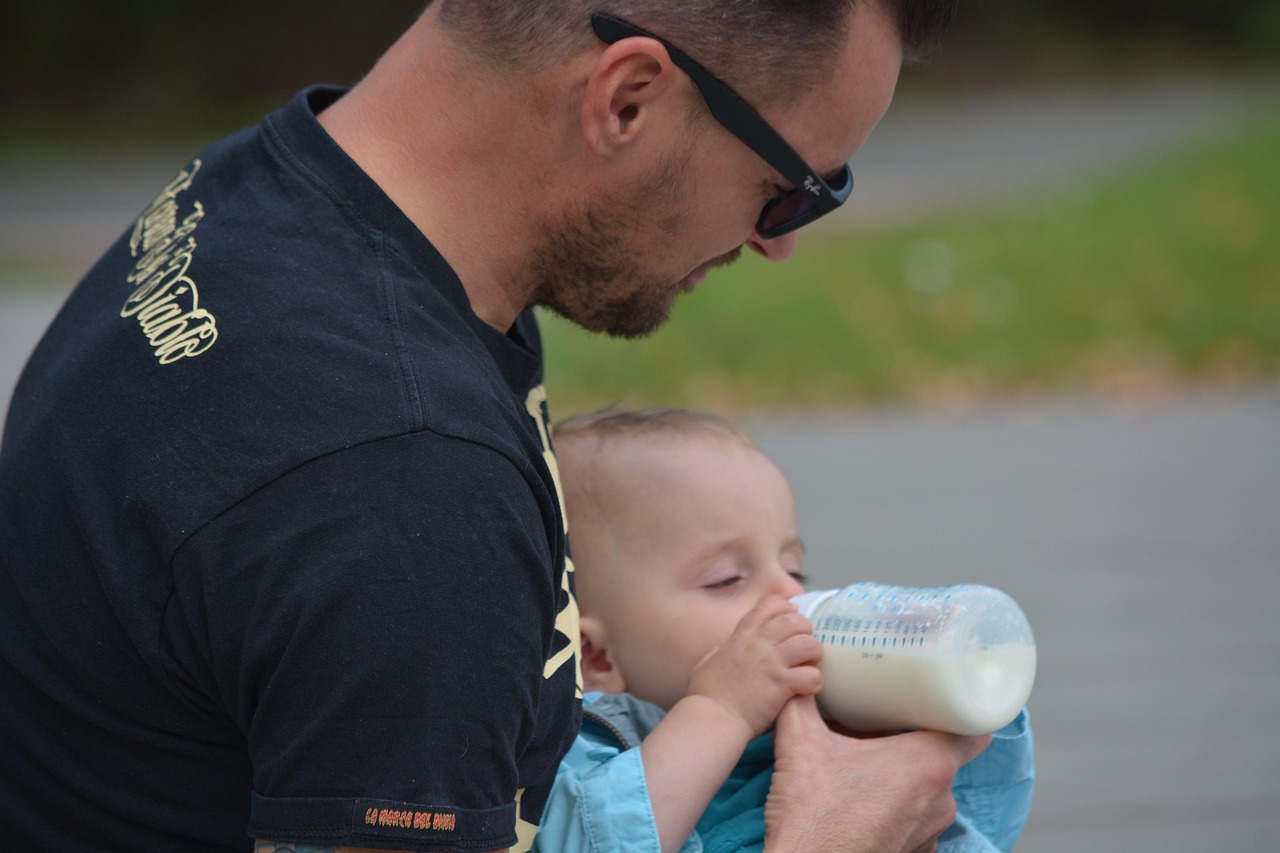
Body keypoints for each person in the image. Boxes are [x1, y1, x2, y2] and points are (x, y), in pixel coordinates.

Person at [0, 2, 977, 852]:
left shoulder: (264, 193)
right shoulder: (403, 477)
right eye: (792, 184)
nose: (781, 241)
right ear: (626, 99)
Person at [538, 407, 1035, 853]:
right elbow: (593, 840)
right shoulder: (585, 747)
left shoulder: (814, 714)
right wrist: (719, 711)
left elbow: (986, 818)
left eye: (795, 570)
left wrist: (927, 704)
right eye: (726, 580)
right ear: (594, 656)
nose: (789, 596)